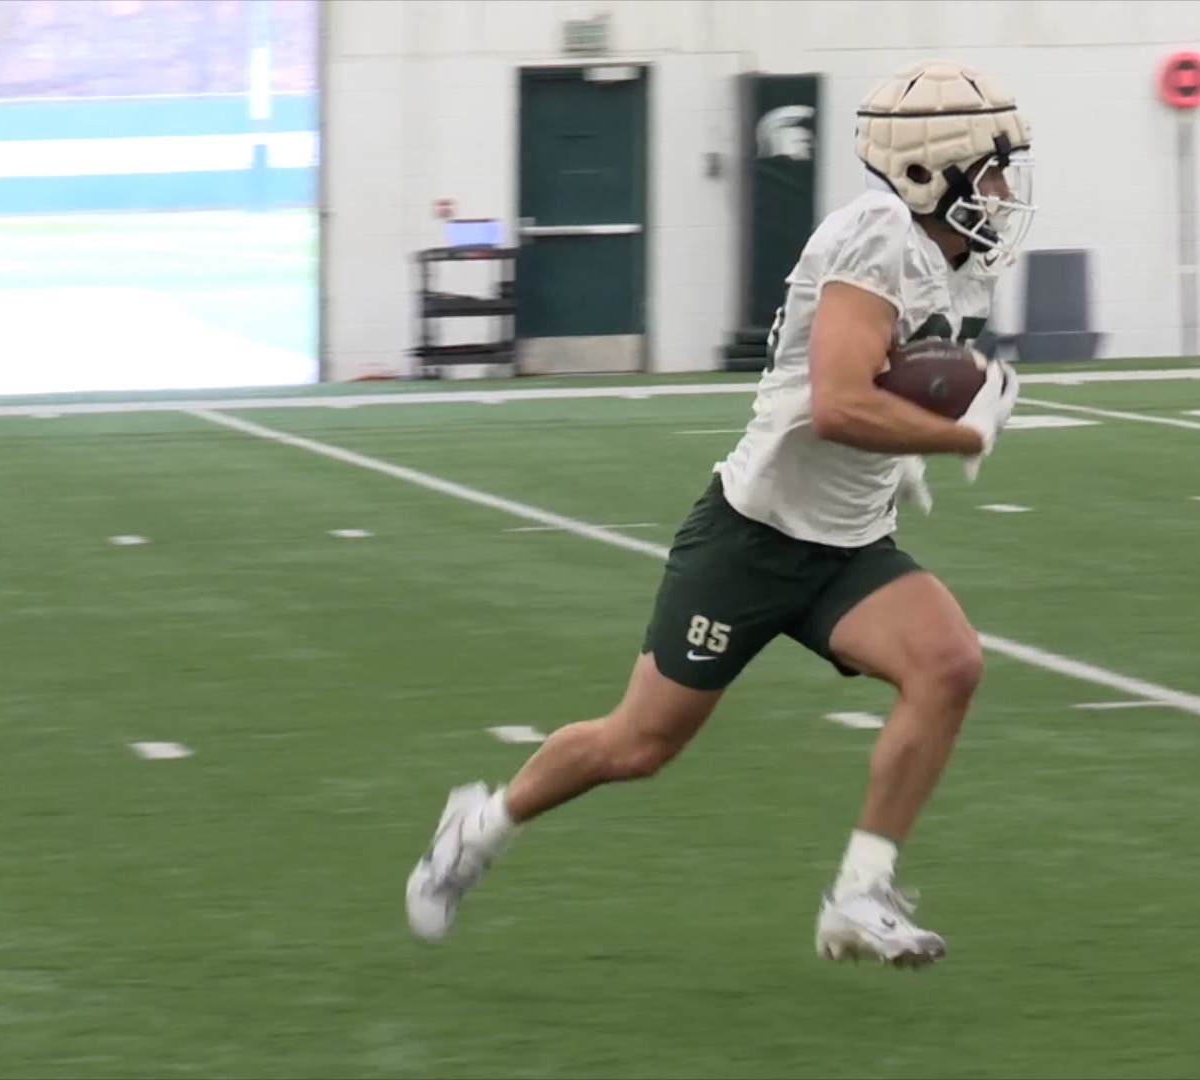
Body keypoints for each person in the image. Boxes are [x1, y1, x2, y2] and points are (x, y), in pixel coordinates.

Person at [404, 59, 1034, 970]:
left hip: (849, 543)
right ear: (930, 170)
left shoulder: (955, 265)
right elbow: (838, 404)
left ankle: (859, 895)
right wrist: (960, 432)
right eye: (993, 169)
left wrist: (912, 446)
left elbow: (887, 389)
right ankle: (481, 825)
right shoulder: (876, 235)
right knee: (638, 744)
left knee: (949, 663)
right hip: (754, 539)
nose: (1005, 191)